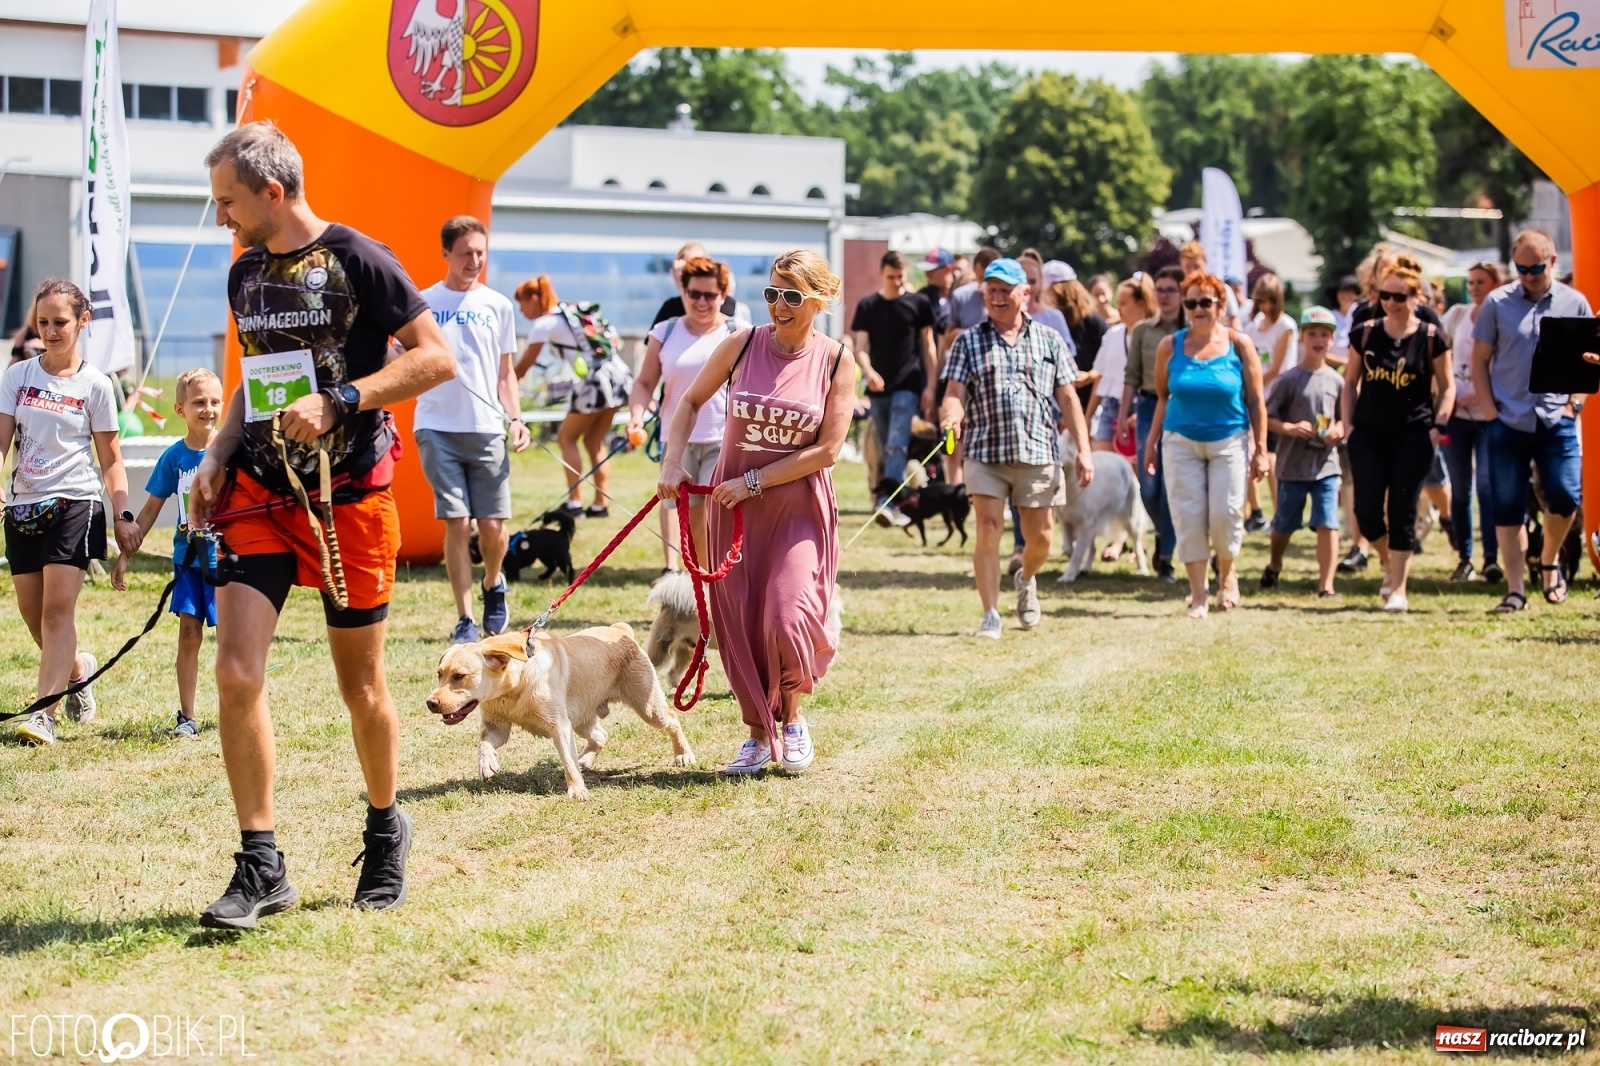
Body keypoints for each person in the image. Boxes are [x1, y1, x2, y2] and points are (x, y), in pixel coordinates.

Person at [187, 122, 455, 928]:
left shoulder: (360, 259)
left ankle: (384, 828)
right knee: (236, 674)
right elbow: (252, 380)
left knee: (360, 687)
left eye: (229, 203)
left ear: (274, 191)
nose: (222, 219)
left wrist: (342, 399)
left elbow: (435, 357)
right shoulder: (244, 275)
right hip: (262, 493)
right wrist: (218, 453)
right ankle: (261, 865)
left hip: (351, 498)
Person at [657, 250, 854, 776]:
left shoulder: (836, 358)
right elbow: (689, 403)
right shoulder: (742, 344)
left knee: (786, 616)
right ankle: (755, 732)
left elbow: (829, 449)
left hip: (797, 511)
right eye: (771, 294)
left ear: (817, 300)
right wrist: (673, 462)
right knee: (741, 624)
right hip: (733, 512)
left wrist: (753, 482)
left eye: (791, 296)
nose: (779, 306)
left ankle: (791, 720)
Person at [2, 278, 137, 746]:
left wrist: (123, 515)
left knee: (57, 613)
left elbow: (111, 461)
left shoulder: (97, 385)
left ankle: (43, 715)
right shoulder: (17, 376)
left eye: (60, 322)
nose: (51, 330)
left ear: (83, 321)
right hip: (23, 506)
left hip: (75, 504)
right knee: (33, 612)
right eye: (43, 322)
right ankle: (79, 669)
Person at [940, 258, 1093, 639]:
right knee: (987, 528)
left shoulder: (1049, 339)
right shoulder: (969, 341)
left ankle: (1026, 578)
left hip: (1038, 449)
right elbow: (954, 393)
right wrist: (951, 417)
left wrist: (1085, 451)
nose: (997, 297)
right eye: (991, 290)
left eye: (1005, 290)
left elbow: (1069, 399)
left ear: (1025, 293)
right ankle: (990, 614)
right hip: (985, 451)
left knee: (1041, 537)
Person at [415, 215, 530, 645]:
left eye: (480, 253)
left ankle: (493, 582)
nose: (474, 260)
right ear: (445, 253)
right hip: (436, 426)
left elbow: (506, 374)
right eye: (466, 253)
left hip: (487, 429)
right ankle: (465, 618)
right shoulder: (423, 303)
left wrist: (515, 418)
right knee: (457, 523)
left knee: (493, 527)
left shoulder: (498, 306)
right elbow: (401, 356)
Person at [1470, 229, 1596, 612]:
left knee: (1565, 496)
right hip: (1507, 419)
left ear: (1553, 262)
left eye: (1536, 268)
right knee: (1507, 506)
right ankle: (1515, 590)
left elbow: (1589, 363)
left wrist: (1574, 406)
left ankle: (1549, 559)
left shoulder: (1575, 302)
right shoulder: (1497, 302)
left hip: (1556, 419)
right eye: (1521, 268)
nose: (1527, 276)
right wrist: (1490, 413)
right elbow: (1479, 361)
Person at [1143, 271, 1269, 619]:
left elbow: (1256, 400)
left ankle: (1228, 575)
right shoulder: (1171, 345)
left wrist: (1260, 449)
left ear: (1220, 304)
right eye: (1192, 302)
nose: (1198, 309)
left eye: (1205, 302)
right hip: (1180, 442)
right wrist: (1151, 442)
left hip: (1229, 440)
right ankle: (1198, 593)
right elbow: (1163, 398)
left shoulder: (1239, 344)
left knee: (1225, 515)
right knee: (1188, 516)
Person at [112, 366, 224, 739]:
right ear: (179, 410)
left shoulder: (232, 453)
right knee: (189, 635)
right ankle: (188, 716)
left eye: (214, 401)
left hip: (227, 562)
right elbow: (148, 512)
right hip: (188, 563)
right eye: (198, 402)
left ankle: (237, 708)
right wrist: (127, 554)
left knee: (232, 639)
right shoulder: (173, 459)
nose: (207, 409)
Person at [1342, 261, 1455, 613]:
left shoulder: (1432, 337)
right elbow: (1349, 381)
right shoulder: (1365, 332)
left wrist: (1438, 426)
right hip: (1369, 433)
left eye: (1399, 296)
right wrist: (1347, 424)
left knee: (1403, 510)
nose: (1391, 302)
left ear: (1415, 297)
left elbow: (1448, 386)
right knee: (1367, 511)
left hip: (1414, 434)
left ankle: (1399, 589)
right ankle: (1389, 564)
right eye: (1385, 295)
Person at [629, 255, 743, 571]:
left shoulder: (739, 333)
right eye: (694, 294)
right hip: (677, 443)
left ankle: (725, 587)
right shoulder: (664, 332)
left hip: (724, 440)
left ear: (723, 295)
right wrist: (637, 415)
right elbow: (644, 382)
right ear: (683, 292)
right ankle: (706, 590)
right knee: (692, 525)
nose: (702, 302)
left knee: (716, 519)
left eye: (710, 295)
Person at [514, 275, 632, 518]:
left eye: (522, 304)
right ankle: (600, 505)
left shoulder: (545, 323)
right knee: (593, 441)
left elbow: (524, 365)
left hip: (594, 383)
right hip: (618, 377)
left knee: (566, 437)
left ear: (534, 299)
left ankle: (574, 504)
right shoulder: (570, 313)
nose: (521, 311)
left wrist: (501, 384)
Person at [1260, 307, 1344, 597]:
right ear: (1302, 339)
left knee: (1327, 522)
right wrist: (1290, 428)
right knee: (1284, 524)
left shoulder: (1337, 381)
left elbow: (1346, 417)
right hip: (1292, 465)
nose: (1318, 340)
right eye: (1312, 334)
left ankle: (1326, 585)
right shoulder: (1289, 379)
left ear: (1332, 340)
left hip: (1326, 465)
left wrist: (1340, 430)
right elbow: (1267, 418)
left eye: (1324, 335)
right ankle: (1274, 563)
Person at [851, 250, 937, 525]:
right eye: (892, 277)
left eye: (901, 277)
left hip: (908, 385)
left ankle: (887, 502)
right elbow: (860, 347)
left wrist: (931, 387)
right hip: (878, 389)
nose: (898, 282)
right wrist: (868, 371)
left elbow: (928, 346)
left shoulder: (919, 304)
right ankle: (901, 501)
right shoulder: (868, 306)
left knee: (897, 445)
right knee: (886, 446)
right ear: (881, 274)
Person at [1438, 261, 1504, 584]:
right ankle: (1465, 558)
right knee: (1460, 489)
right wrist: (1448, 392)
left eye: (1481, 282)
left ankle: (1492, 557)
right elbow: (1439, 352)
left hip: (1490, 415)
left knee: (1488, 487)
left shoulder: (1503, 317)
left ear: (1495, 285)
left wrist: (1482, 395)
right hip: (1457, 417)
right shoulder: (1457, 315)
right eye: (1470, 282)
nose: (1474, 288)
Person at [1120, 264, 1184, 580]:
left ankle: (1168, 555)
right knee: (1148, 487)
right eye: (1160, 289)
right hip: (1147, 408)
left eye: (1171, 289)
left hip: (1183, 409)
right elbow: (1130, 376)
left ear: (1183, 293)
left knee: (1169, 488)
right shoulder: (1143, 330)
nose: (1165, 295)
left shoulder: (1191, 332)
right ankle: (1163, 532)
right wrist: (1121, 417)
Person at [1242, 272, 1299, 532]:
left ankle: (1281, 515)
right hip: (1254, 398)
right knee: (1246, 453)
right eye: (1261, 301)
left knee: (1272, 457)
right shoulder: (1252, 327)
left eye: (1270, 301)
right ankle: (1256, 511)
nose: (1265, 307)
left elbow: (1276, 368)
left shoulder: (1285, 325)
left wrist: (1251, 385)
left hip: (1278, 398)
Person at [1087, 274, 1154, 454]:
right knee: (1104, 467)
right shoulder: (1113, 335)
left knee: (1137, 475)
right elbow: (1101, 378)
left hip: (1143, 409)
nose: (1119, 308)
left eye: (1124, 303)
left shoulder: (1155, 337)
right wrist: (1088, 417)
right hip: (1111, 408)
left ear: (1141, 304)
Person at [650, 240, 739, 325]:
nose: (702, 301)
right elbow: (653, 338)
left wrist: (681, 285)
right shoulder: (671, 306)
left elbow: (701, 323)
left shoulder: (724, 301)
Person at [1178, 241, 1241, 327]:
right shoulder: (1178, 294)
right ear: (1181, 266)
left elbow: (1235, 325)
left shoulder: (1222, 289)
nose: (1192, 271)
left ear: (1205, 262)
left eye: (1196, 266)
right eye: (1188, 267)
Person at [916, 247, 956, 331]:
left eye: (932, 270)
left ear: (947, 269)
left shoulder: (960, 295)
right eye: (926, 270)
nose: (927, 274)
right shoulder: (922, 297)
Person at [1329, 274, 1361, 367]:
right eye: (1342, 291)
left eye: (1350, 291)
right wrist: (1346, 363)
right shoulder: (1330, 316)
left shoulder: (1362, 314)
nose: (1346, 295)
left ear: (1357, 294)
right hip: (1332, 367)